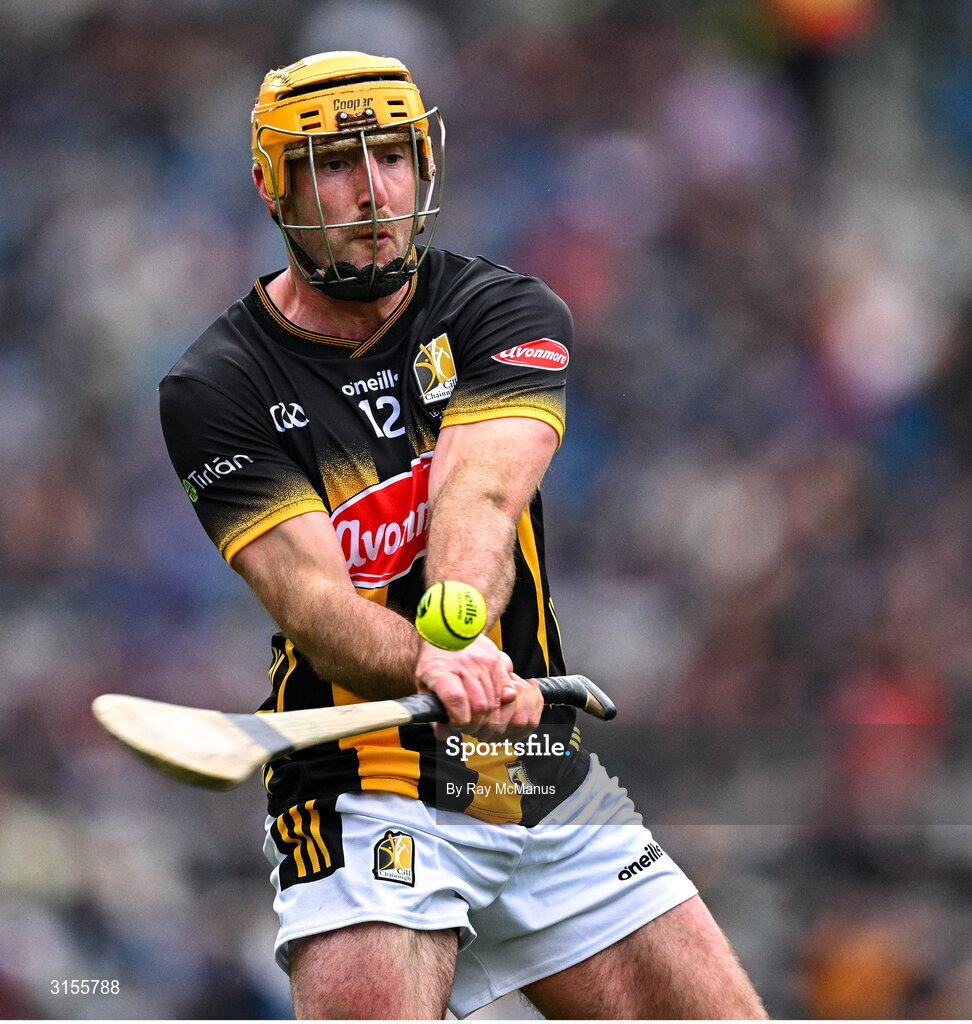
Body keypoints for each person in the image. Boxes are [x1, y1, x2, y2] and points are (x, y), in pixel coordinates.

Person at [159, 50, 767, 1020]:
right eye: (335, 163)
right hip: (360, 783)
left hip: (523, 762)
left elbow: (479, 497)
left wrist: (455, 642)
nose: (372, 192)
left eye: (393, 156)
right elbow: (310, 600)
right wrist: (427, 666)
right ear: (272, 186)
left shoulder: (501, 310)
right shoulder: (218, 387)